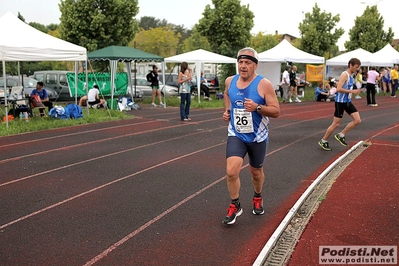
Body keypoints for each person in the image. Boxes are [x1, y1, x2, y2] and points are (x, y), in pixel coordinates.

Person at [221, 47, 280, 225]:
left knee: (256, 173)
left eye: (247, 63)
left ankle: (257, 196)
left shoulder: (264, 84)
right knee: (231, 171)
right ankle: (235, 205)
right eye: (240, 62)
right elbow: (226, 94)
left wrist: (257, 107)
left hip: (257, 136)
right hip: (236, 134)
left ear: (255, 66)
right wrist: (227, 110)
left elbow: (276, 111)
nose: (243, 66)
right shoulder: (230, 81)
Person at [318, 58, 361, 151]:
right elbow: (339, 89)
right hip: (340, 102)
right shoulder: (344, 75)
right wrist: (352, 91)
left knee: (357, 120)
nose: (357, 69)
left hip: (347, 102)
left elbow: (341, 85)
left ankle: (341, 135)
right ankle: (323, 140)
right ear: (351, 65)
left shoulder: (351, 75)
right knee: (336, 124)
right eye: (356, 67)